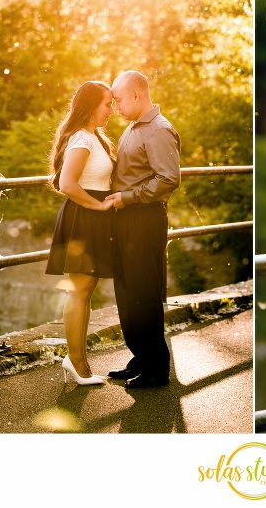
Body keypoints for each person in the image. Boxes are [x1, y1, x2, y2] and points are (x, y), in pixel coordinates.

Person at [107, 70, 181, 388]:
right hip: (126, 218)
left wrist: (128, 197)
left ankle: (156, 369)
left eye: (119, 100)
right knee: (126, 291)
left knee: (144, 293)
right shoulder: (134, 128)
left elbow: (169, 178)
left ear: (137, 95)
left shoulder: (159, 130)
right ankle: (141, 356)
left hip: (144, 218)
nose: (115, 107)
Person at [46, 80, 118, 386]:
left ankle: (78, 360)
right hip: (83, 218)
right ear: (90, 107)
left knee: (86, 290)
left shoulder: (96, 137)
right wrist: (98, 207)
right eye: (106, 104)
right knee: (79, 290)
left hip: (92, 218)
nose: (112, 110)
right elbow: (67, 184)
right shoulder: (81, 139)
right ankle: (76, 362)